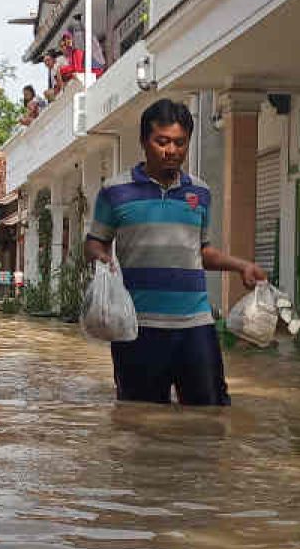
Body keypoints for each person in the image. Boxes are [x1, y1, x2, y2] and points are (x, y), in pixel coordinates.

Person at [84, 98, 267, 406]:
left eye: (180, 143)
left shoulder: (200, 192)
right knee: (140, 420)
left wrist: (242, 266)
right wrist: (101, 256)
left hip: (195, 325)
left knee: (209, 416)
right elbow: (95, 240)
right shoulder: (115, 191)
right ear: (144, 142)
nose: (172, 151)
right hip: (136, 329)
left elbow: (202, 251)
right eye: (162, 142)